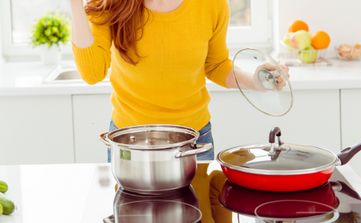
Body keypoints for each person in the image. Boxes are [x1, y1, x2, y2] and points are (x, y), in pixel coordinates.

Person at [70, 0, 288, 161]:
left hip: (194, 141)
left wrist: (255, 81)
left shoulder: (212, 4)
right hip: (131, 142)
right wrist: (75, 5)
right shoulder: (110, 4)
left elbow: (216, 64)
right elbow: (92, 73)